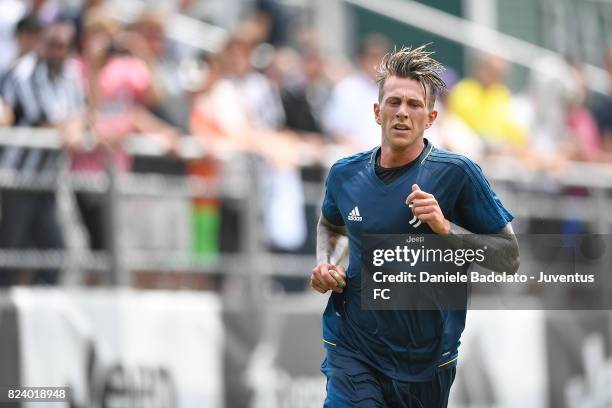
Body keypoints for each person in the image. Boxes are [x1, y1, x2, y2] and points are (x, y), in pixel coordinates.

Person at [311, 45, 520, 407]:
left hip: (427, 359)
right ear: (377, 112)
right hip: (353, 346)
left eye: (414, 105)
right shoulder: (344, 174)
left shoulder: (457, 173)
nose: (402, 113)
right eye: (393, 103)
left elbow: (509, 257)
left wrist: (445, 229)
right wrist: (329, 264)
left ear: (432, 117)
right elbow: (332, 226)